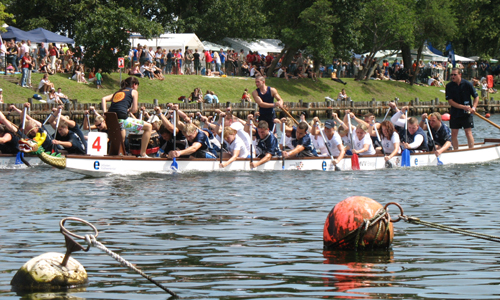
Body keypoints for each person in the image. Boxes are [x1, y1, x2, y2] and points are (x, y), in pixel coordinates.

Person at [102, 76, 153, 157]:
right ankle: (143, 153)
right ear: (134, 85)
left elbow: (104, 98)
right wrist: (129, 110)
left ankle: (116, 154)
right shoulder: (134, 91)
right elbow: (135, 110)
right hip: (122, 120)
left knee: (122, 135)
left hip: (111, 121)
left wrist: (105, 113)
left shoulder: (118, 92)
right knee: (149, 127)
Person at [446, 68, 479, 149]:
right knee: (454, 133)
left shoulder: (467, 84)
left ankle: (471, 149)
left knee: (468, 132)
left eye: (455, 74)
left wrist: (474, 107)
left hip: (467, 114)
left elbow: (476, 97)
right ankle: (456, 150)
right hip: (455, 113)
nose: (453, 76)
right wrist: (463, 107)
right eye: (452, 75)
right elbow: (450, 101)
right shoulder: (449, 86)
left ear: (460, 74)